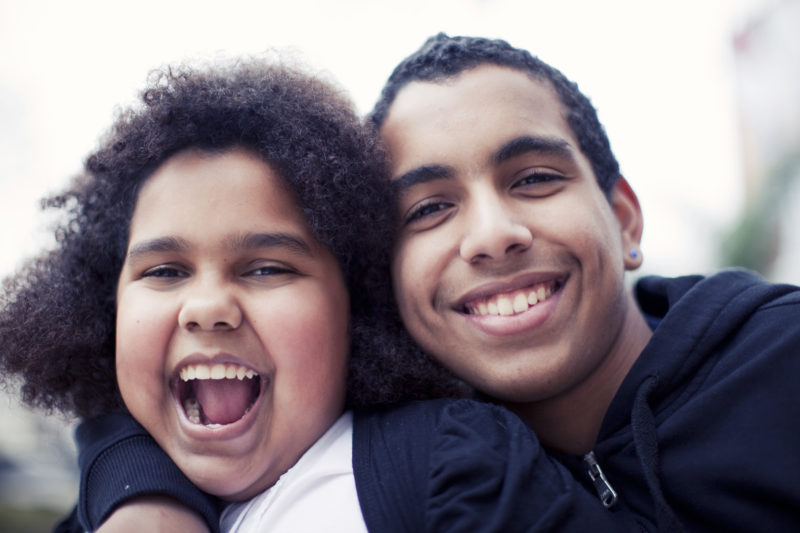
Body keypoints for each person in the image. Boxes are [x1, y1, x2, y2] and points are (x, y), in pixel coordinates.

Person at [0, 57, 635, 533]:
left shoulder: (451, 462)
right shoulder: (104, 509)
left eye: (267, 268)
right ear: (103, 311)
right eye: (164, 272)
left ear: (357, 306)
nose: (207, 307)